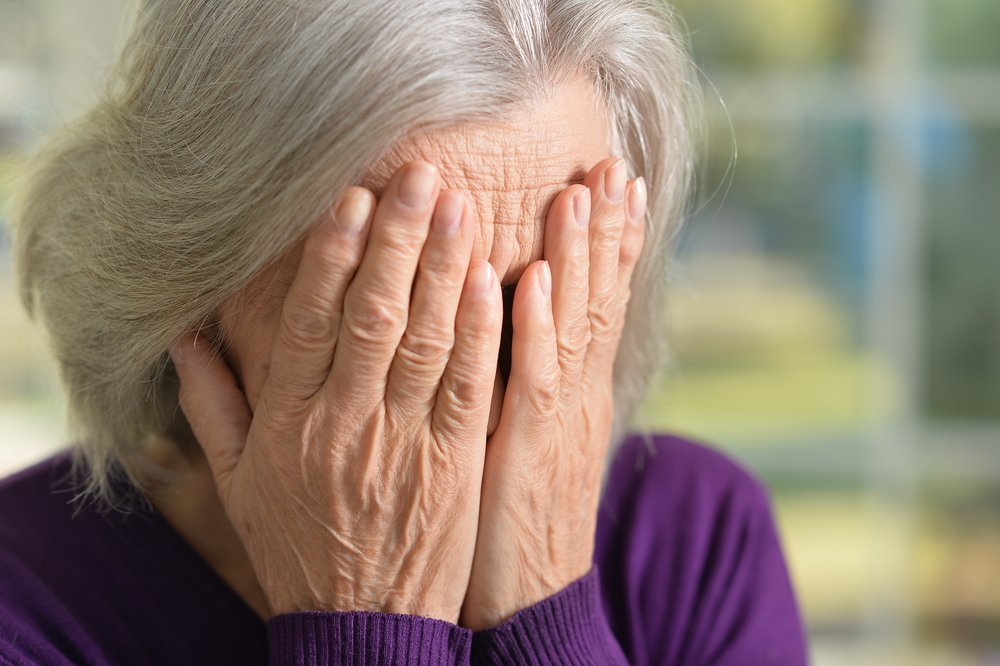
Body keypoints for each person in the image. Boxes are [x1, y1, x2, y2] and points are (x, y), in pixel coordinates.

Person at [0, 1, 808, 664]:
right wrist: (364, 624)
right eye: (389, 304)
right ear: (185, 284)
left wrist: (547, 608)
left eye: (537, 299)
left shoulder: (695, 544)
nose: (465, 385)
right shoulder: (25, 608)